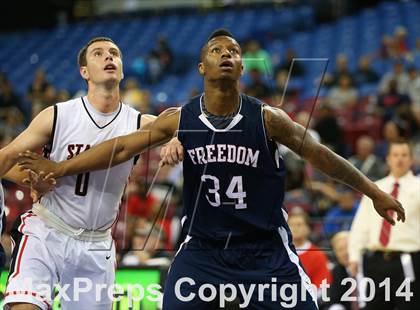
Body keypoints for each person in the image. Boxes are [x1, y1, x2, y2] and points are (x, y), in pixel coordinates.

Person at [18, 29, 405, 309]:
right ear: (202, 65)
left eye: (233, 51)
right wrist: (61, 166)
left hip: (265, 248)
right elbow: (117, 149)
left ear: (241, 66)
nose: (226, 54)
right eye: (217, 49)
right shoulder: (179, 118)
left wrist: (374, 191)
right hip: (202, 251)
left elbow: (323, 157)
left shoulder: (268, 118)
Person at [0, 37, 160, 310]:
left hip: (96, 245)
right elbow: (5, 158)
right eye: (98, 54)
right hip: (46, 231)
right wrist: (31, 180)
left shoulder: (139, 123)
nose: (108, 57)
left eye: (114, 53)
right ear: (84, 71)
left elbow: (177, 130)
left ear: (121, 70)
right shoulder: (58, 115)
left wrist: (175, 141)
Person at [348, 139, 420, 310]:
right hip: (376, 261)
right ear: (388, 159)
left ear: (411, 159)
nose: (399, 159)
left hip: (408, 261)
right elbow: (361, 225)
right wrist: (354, 256)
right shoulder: (375, 189)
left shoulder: (418, 187)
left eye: (404, 155)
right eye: (395, 155)